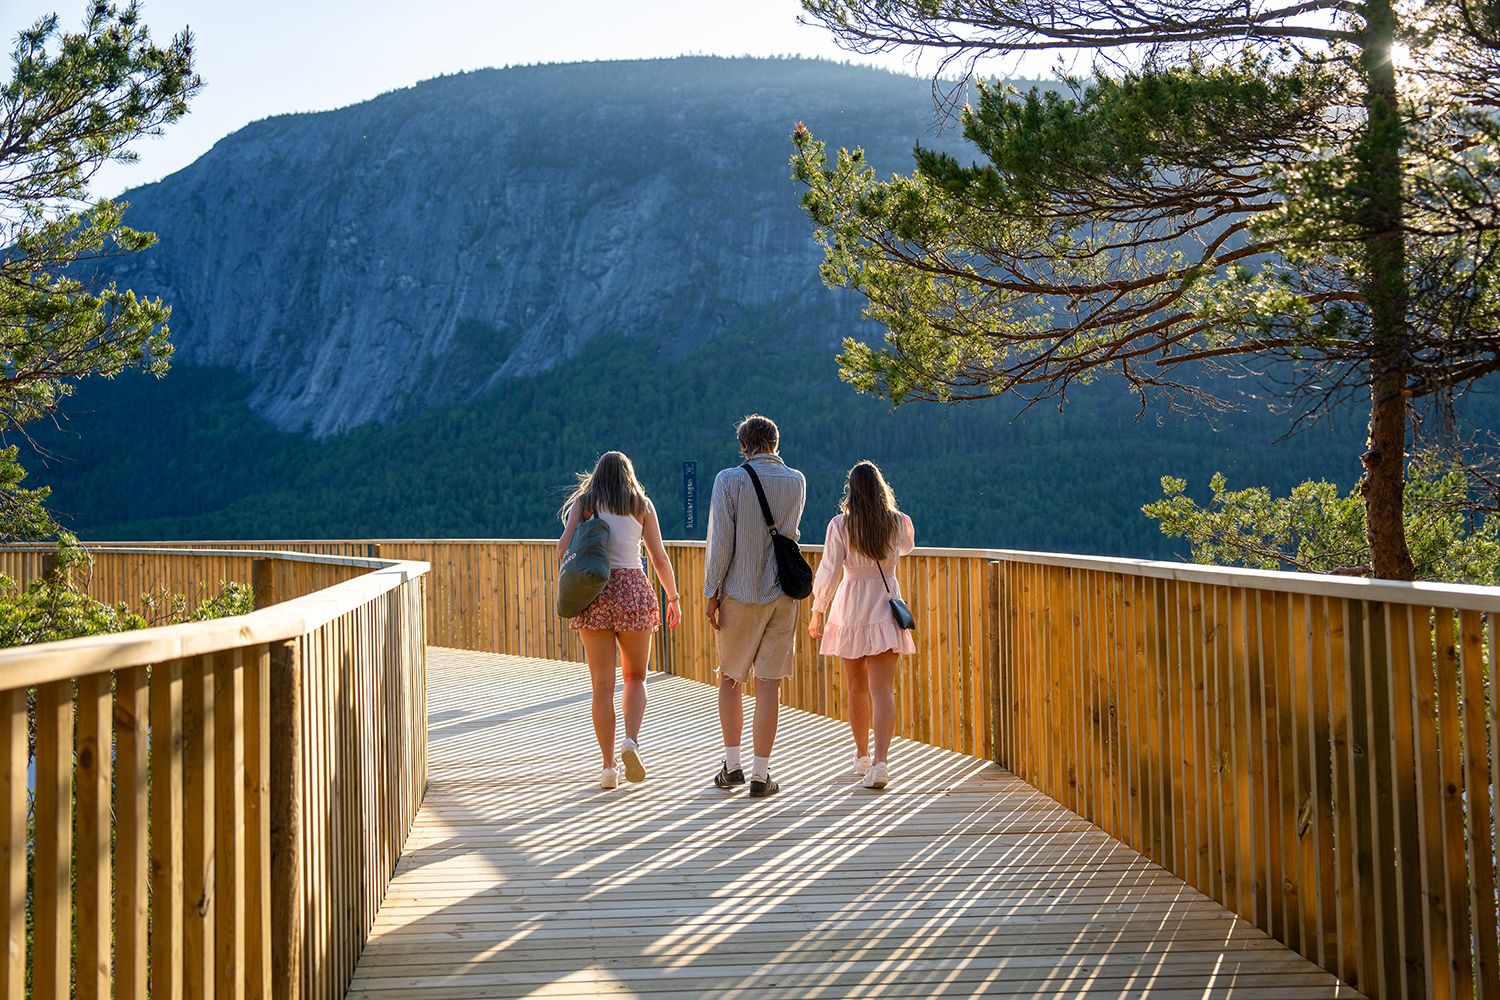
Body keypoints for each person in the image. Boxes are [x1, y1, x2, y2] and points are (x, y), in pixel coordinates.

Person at [557, 451, 681, 789]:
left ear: (597, 476)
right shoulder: (642, 504)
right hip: (634, 591)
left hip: (594, 591)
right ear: (629, 475)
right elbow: (658, 557)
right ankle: (631, 741)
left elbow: (562, 548)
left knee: (601, 686)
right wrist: (673, 597)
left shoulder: (585, 502)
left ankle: (608, 767)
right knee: (636, 678)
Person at [703, 414, 806, 798]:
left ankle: (732, 767)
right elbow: (791, 533)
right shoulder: (797, 480)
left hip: (740, 590)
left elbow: (721, 544)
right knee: (769, 685)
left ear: (743, 445)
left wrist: (711, 592)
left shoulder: (728, 480)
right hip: (782, 593)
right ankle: (762, 775)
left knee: (730, 679)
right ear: (775, 443)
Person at [808, 461, 915, 789]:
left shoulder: (840, 526)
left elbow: (829, 570)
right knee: (883, 691)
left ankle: (861, 756)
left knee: (856, 687)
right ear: (882, 489)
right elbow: (906, 549)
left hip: (851, 605)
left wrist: (817, 610)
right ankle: (881, 763)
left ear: (851, 491)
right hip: (885, 604)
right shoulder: (898, 523)